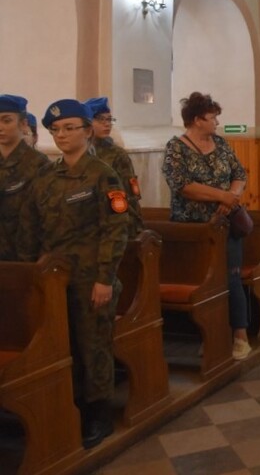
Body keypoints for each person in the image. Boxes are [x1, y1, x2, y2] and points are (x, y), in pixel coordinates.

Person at [18, 99, 129, 449]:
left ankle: (99, 414)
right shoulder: (48, 177)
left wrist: (104, 278)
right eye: (56, 130)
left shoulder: (102, 173)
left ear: (86, 130)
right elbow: (33, 227)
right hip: (55, 279)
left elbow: (116, 229)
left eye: (69, 128)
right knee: (65, 346)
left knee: (92, 345)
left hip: (91, 278)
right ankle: (73, 407)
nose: (62, 135)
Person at [162, 92, 252, 361]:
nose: (216, 123)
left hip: (225, 225)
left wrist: (231, 197)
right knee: (201, 282)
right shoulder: (176, 148)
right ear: (195, 120)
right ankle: (205, 335)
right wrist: (220, 195)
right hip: (193, 228)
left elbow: (239, 174)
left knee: (231, 278)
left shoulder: (221, 144)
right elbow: (182, 185)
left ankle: (240, 336)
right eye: (211, 118)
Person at [84, 97, 144, 238]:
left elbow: (130, 195)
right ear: (87, 122)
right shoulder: (80, 152)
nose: (107, 124)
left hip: (114, 223)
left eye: (109, 119)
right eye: (100, 120)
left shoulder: (117, 154)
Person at [0, 95, 48, 260]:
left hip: (25, 257)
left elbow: (47, 217)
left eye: (6, 121)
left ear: (23, 124)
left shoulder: (38, 164)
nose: (0, 127)